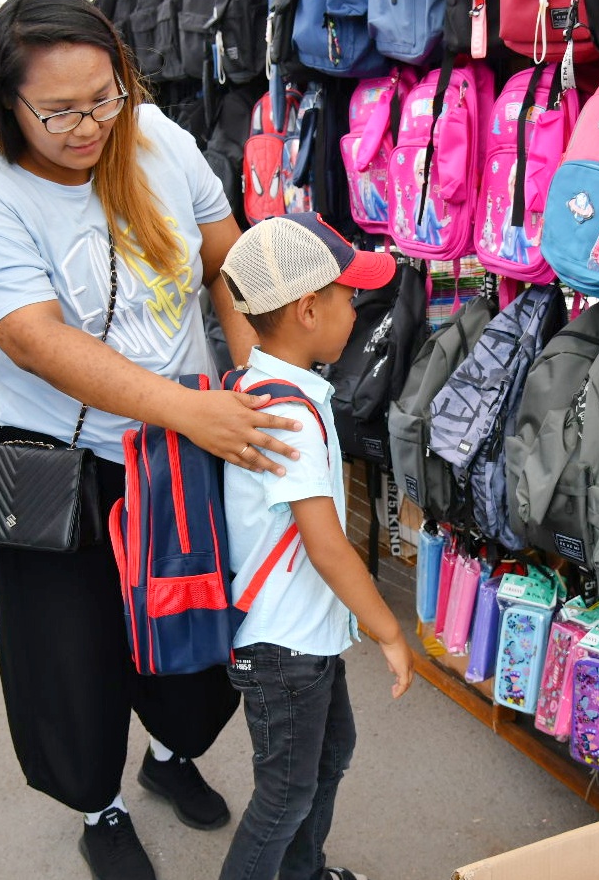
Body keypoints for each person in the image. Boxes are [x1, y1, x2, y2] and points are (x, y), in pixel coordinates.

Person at [0, 0, 308, 880]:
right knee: (74, 660)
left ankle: (172, 755)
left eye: (104, 97)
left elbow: (228, 261)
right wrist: (194, 408)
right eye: (59, 110)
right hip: (66, 470)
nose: (89, 125)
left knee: (202, 646)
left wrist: (267, 374)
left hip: (179, 460)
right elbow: (37, 340)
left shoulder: (159, 141)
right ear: (5, 99)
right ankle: (99, 806)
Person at [216, 212, 415, 880]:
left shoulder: (260, 384)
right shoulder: (289, 417)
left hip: (305, 636)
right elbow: (327, 546)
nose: (355, 307)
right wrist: (388, 629)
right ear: (307, 309)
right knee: (284, 793)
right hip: (285, 646)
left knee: (327, 757)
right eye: (346, 294)